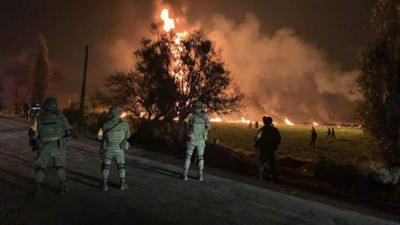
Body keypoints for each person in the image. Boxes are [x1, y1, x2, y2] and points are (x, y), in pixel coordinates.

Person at [28, 98, 71, 196]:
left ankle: (37, 188)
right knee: (60, 167)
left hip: (43, 146)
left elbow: (31, 132)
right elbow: (68, 134)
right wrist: (64, 141)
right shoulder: (61, 117)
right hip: (58, 146)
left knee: (40, 167)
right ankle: (63, 187)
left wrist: (33, 141)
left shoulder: (39, 117)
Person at [97, 106, 131, 191]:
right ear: (118, 114)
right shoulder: (124, 125)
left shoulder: (105, 125)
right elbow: (128, 135)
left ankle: (104, 185)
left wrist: (103, 140)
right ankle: (122, 184)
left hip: (108, 148)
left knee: (106, 166)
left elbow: (99, 135)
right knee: (121, 166)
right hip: (119, 149)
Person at [182, 100, 211, 181]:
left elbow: (184, 123)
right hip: (201, 140)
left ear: (194, 107)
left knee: (188, 157)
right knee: (201, 158)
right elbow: (209, 127)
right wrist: (203, 130)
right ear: (201, 107)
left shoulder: (191, 115)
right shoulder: (204, 116)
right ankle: (200, 176)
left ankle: (185, 175)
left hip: (192, 139)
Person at [254, 116, 281, 181]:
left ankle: (260, 175)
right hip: (271, 148)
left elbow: (257, 138)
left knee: (262, 161)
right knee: (271, 162)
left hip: (263, 148)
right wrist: (275, 146)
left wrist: (256, 144)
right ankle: (273, 176)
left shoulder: (262, 130)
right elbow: (278, 139)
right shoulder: (275, 130)